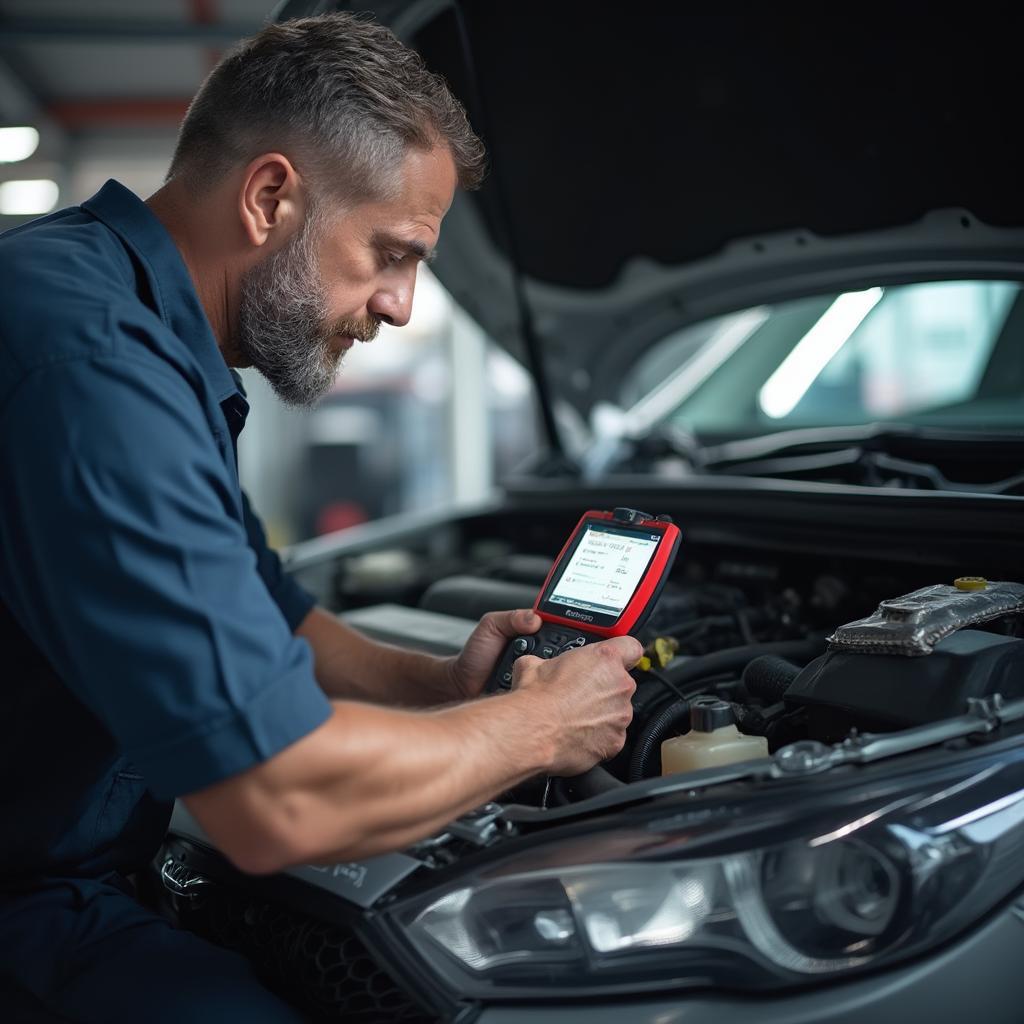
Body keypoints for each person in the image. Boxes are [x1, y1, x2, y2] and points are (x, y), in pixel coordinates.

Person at [0, 13, 639, 1023]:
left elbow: (276, 614)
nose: (399, 306)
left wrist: (444, 687)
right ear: (270, 197)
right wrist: (539, 725)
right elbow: (274, 800)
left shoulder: (129, 320)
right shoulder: (91, 366)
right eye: (392, 252)